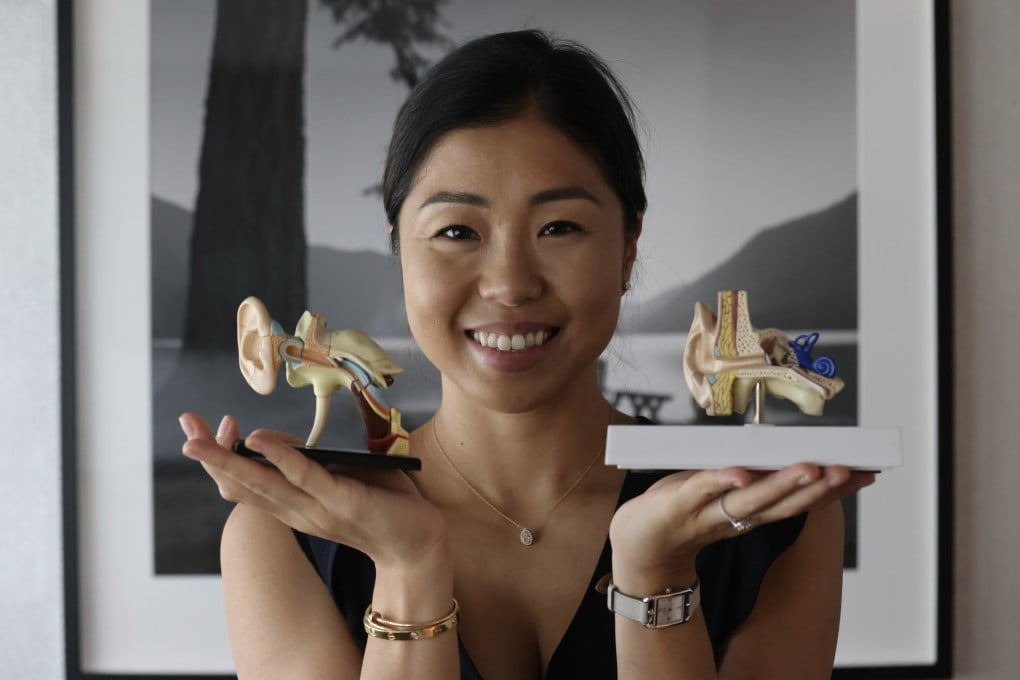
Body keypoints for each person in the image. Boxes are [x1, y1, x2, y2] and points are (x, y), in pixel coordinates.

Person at [178, 29, 874, 679]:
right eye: (457, 232)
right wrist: (408, 567)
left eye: (559, 227)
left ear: (627, 250)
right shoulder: (281, 537)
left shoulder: (771, 517)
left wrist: (655, 579)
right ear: (399, 249)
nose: (509, 284)